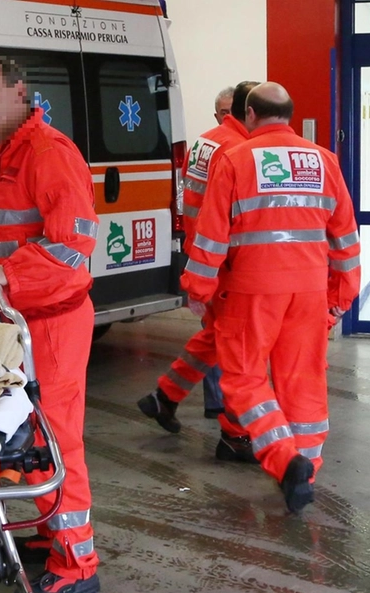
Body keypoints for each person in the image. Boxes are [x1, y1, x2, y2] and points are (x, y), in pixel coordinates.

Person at [0, 57, 101, 593]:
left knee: (60, 439)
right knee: (38, 437)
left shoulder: (47, 154)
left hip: (55, 323)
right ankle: (49, 533)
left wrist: (9, 273)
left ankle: (76, 564)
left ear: (21, 91)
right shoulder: (12, 154)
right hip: (27, 322)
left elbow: (73, 247)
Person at [181, 82, 361, 514]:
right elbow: (346, 238)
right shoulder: (324, 160)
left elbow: (211, 235)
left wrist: (198, 290)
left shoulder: (235, 160)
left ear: (248, 115)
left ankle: (284, 460)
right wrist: (341, 298)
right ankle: (306, 472)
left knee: (243, 378)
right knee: (303, 380)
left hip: (252, 291)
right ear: (290, 115)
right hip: (311, 291)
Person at [138, 81, 261, 463]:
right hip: (225, 263)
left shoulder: (206, 142)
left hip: (202, 257)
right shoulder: (238, 150)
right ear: (250, 113)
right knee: (240, 348)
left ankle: (165, 396)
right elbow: (233, 214)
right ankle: (235, 434)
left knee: (216, 338)